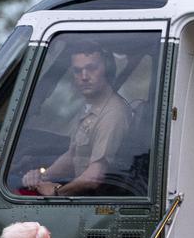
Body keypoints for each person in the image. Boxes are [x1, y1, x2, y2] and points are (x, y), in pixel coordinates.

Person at [21, 41, 131, 196]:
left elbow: (94, 176)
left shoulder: (113, 113)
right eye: (77, 71)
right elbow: (73, 155)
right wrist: (42, 176)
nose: (84, 76)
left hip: (96, 203)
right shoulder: (90, 106)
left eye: (91, 68)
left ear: (107, 69)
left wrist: (57, 193)